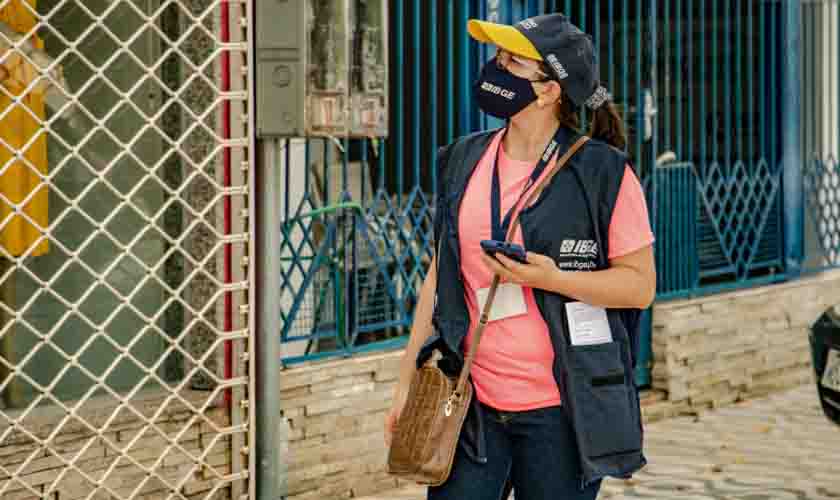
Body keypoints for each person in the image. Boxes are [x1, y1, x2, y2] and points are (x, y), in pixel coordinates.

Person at [384, 14, 655, 500]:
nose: (495, 69)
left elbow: (640, 285)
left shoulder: (603, 172)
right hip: (468, 402)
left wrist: (553, 278)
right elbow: (438, 277)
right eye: (497, 58)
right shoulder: (463, 160)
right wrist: (406, 382)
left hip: (563, 411)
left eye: (512, 61)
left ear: (550, 90)